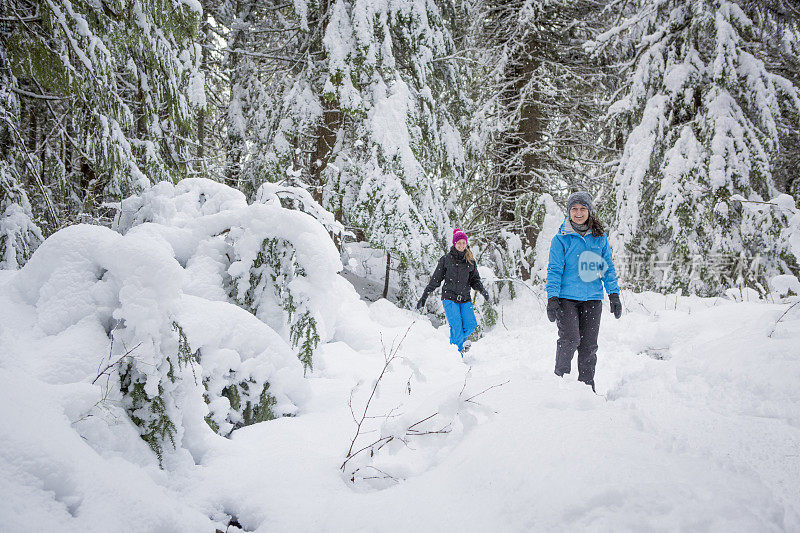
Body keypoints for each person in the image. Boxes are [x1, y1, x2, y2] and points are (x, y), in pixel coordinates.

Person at [546, 191, 622, 392]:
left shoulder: (599, 238)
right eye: (574, 209)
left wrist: (614, 295)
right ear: (569, 211)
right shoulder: (561, 239)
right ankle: (559, 382)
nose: (578, 213)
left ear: (589, 211)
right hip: (566, 299)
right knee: (570, 339)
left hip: (593, 299)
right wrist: (552, 298)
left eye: (582, 208)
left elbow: (607, 268)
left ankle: (587, 387)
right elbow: (554, 270)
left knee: (589, 346)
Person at [417, 228, 490, 355]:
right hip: (449, 298)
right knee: (456, 328)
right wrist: (424, 296)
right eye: (459, 243)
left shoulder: (470, 261)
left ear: (466, 243)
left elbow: (475, 280)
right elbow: (435, 280)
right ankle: (457, 358)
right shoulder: (446, 260)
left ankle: (457, 345)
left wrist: (483, 291)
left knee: (471, 325)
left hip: (465, 298)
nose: (461, 245)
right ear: (454, 244)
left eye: (463, 242)